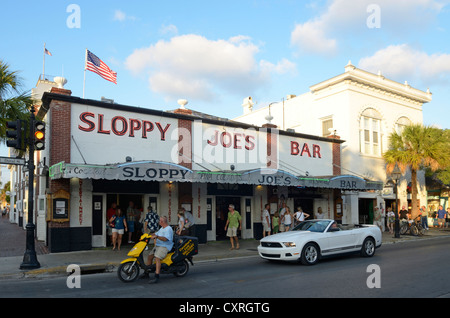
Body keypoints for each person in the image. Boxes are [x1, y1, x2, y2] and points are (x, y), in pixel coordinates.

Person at [147, 216, 174, 284]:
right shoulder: (162, 228)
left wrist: (157, 237)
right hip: (158, 246)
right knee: (150, 256)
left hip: (165, 246)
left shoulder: (168, 229)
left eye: (159, 221)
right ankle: (146, 273)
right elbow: (156, 234)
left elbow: (165, 239)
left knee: (157, 258)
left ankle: (157, 276)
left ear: (162, 222)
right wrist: (149, 235)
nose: (158, 222)